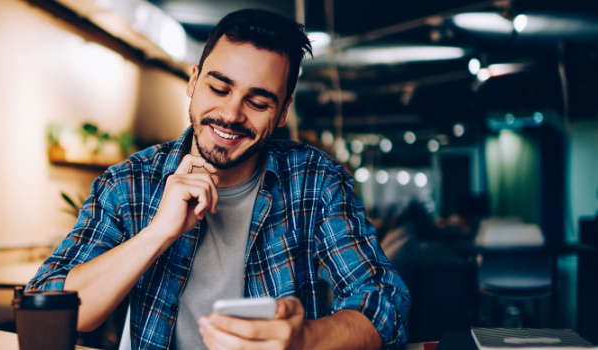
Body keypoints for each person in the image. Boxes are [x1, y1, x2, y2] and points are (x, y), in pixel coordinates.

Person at [28, 8, 410, 350]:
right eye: (219, 87)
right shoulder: (129, 183)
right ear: (193, 82)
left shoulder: (316, 182)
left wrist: (306, 339)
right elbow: (47, 306)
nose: (231, 114)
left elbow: (384, 299)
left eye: (258, 102)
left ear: (282, 113)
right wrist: (158, 232)